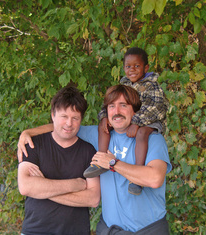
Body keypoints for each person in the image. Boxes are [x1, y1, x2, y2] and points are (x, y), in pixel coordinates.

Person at [18, 84, 172, 234]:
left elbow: (155, 178)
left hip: (148, 229)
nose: (117, 111)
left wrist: (113, 163)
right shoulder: (96, 136)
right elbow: (64, 127)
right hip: (110, 229)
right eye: (111, 106)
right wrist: (28, 133)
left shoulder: (153, 139)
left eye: (123, 105)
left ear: (135, 110)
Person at [83, 47, 169, 195]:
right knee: (103, 126)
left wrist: (136, 122)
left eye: (137, 66)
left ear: (146, 67)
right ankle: (100, 160)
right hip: (133, 121)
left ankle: (136, 177)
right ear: (123, 68)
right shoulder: (124, 84)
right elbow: (111, 102)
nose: (132, 70)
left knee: (141, 134)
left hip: (151, 121)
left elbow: (156, 108)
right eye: (128, 67)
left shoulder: (151, 85)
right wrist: (104, 117)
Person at [17, 86, 100, 235]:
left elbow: (93, 199)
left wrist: (43, 188)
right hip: (35, 231)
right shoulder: (33, 144)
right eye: (64, 117)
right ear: (53, 115)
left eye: (75, 118)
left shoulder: (89, 151)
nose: (69, 123)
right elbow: (25, 187)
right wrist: (75, 184)